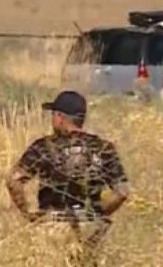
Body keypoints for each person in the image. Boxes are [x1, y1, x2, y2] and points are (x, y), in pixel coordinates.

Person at [6, 91, 130, 250]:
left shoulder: (43, 147)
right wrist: (99, 213)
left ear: (59, 117)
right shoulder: (104, 148)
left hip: (53, 228)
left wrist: (29, 214)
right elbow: (122, 191)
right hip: (91, 228)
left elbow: (14, 180)